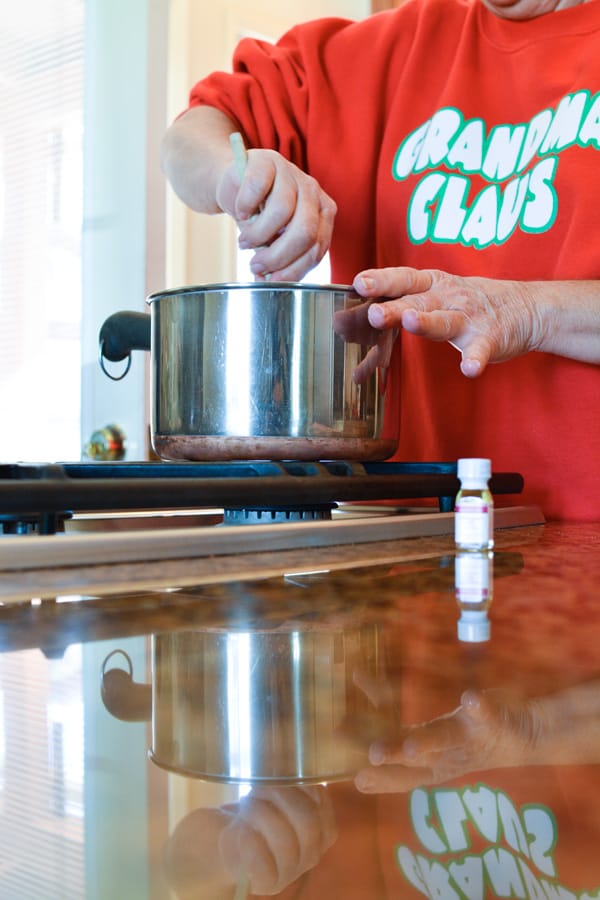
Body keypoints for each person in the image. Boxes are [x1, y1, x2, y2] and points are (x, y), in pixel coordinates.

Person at [160, 0, 600, 521]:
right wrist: (231, 174)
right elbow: (193, 133)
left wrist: (528, 311)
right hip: (401, 539)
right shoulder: (369, 57)